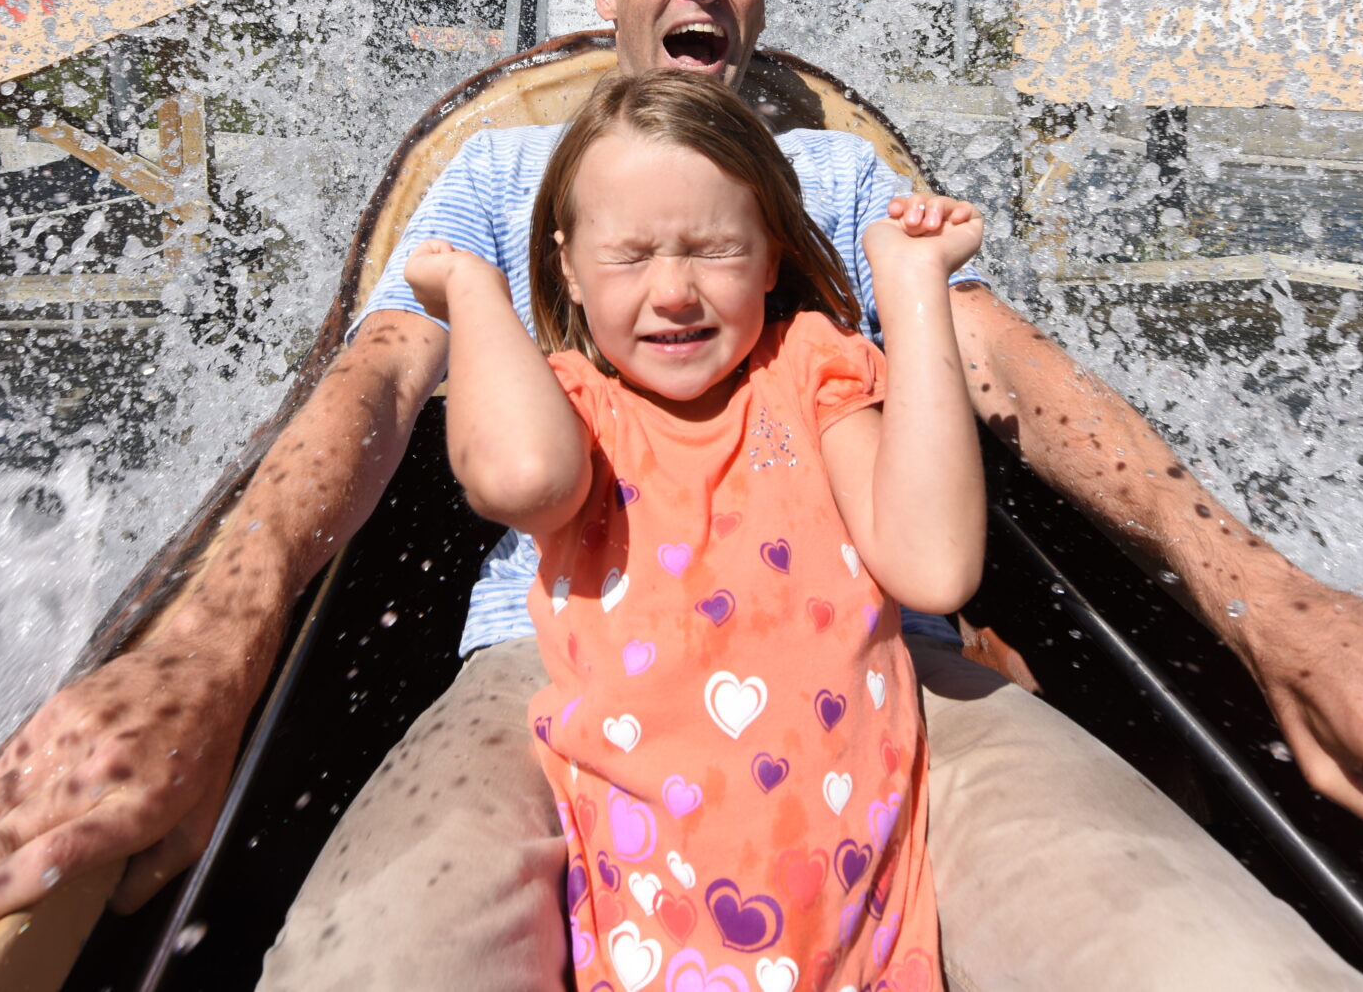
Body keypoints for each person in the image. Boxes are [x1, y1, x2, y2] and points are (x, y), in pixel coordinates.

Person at [0, 0, 1363, 987]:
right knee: (365, 958)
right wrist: (213, 648)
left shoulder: (827, 175)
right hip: (550, 663)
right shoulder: (498, 175)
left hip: (884, 658)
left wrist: (1266, 592)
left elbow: (996, 363)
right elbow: (376, 382)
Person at [406, 72, 986, 992]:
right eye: (629, 256)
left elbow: (936, 565)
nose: (673, 291)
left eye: (714, 249)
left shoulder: (810, 373)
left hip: (862, 931)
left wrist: (911, 289)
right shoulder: (574, 408)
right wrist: (475, 291)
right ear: (566, 266)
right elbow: (520, 477)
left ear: (769, 256)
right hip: (658, 924)